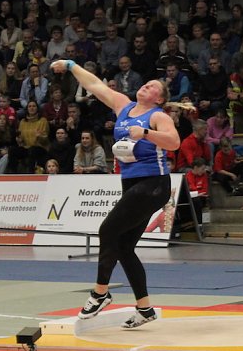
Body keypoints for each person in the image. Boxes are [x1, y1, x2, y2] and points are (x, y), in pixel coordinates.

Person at [50, 58, 182, 329]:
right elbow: (95, 85)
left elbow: (174, 142)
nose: (145, 86)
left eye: (152, 86)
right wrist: (72, 65)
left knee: (107, 229)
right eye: (145, 83)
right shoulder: (124, 105)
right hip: (132, 185)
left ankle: (100, 292)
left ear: (159, 98)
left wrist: (146, 133)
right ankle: (145, 308)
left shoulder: (157, 116)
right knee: (123, 246)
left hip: (154, 185)